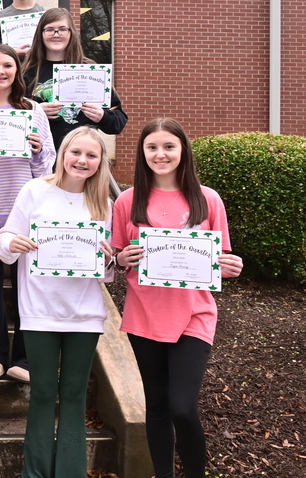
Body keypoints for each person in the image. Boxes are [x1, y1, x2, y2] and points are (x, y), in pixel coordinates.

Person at [112, 118, 243, 478]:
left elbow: (221, 260)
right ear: (142, 152)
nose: (161, 154)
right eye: (152, 147)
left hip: (194, 314)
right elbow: (116, 256)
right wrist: (120, 259)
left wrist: (230, 266)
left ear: (183, 150)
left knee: (182, 408)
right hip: (144, 315)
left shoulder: (207, 198)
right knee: (156, 407)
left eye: (169, 146)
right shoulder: (127, 201)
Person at [0, 126, 114, 478]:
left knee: (74, 395)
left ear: (100, 162)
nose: (82, 160)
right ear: (62, 154)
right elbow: (3, 241)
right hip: (39, 311)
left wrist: (109, 261)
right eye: (76, 152)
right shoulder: (35, 190)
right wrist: (11, 243)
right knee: (44, 393)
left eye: (91, 155)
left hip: (84, 315)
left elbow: (106, 273)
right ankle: (35, 473)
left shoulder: (104, 204)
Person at [0, 45, 56, 383]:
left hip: (23, 213)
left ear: (17, 71)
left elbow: (48, 168)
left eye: (7, 65)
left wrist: (37, 152)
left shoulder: (33, 111)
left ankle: (24, 358)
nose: (0, 71)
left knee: (26, 289)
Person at [21, 8, 129, 151]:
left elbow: (118, 121)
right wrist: (36, 112)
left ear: (71, 33)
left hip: (81, 156)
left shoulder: (90, 70)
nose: (56, 34)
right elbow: (11, 116)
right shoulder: (26, 72)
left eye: (62, 29)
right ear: (40, 34)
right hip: (40, 158)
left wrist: (102, 116)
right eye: (49, 29)